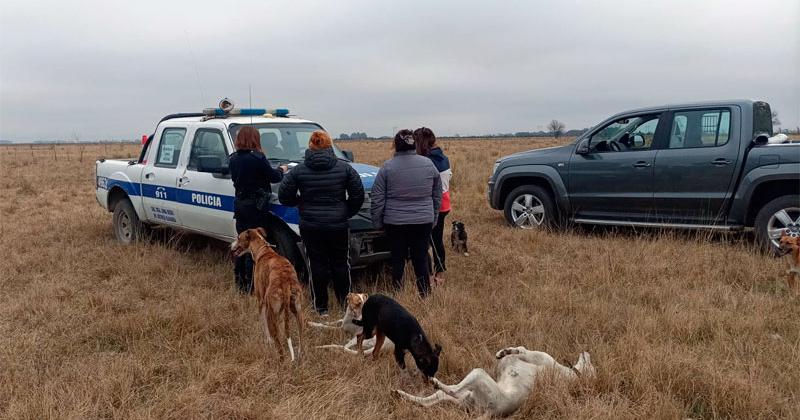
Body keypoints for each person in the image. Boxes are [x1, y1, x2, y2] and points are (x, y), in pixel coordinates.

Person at [278, 131, 364, 316]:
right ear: (329, 145)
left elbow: (284, 196)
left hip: (311, 226)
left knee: (316, 265)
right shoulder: (345, 168)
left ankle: (321, 308)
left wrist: (300, 203)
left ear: (310, 146)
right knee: (341, 264)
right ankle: (345, 304)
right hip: (338, 225)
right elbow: (358, 195)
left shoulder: (299, 170)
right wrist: (345, 212)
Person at [371, 129, 442, 297]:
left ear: (396, 145)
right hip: (423, 221)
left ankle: (398, 292)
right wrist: (434, 217)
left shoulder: (387, 168)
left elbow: (377, 198)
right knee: (421, 257)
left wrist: (377, 222)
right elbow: (437, 194)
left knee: (397, 259)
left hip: (395, 222)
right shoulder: (428, 164)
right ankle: (424, 293)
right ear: (413, 144)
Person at [229, 126, 286, 293]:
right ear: (255, 140)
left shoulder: (233, 159)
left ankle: (240, 283)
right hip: (256, 207)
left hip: (240, 205)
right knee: (255, 245)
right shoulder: (258, 158)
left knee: (241, 244)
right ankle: (252, 285)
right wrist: (282, 170)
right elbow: (274, 177)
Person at [414, 127, 451, 286]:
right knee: (437, 240)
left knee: (425, 241)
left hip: (432, 205)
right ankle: (439, 271)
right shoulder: (443, 157)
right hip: (444, 204)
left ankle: (429, 274)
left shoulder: (428, 161)